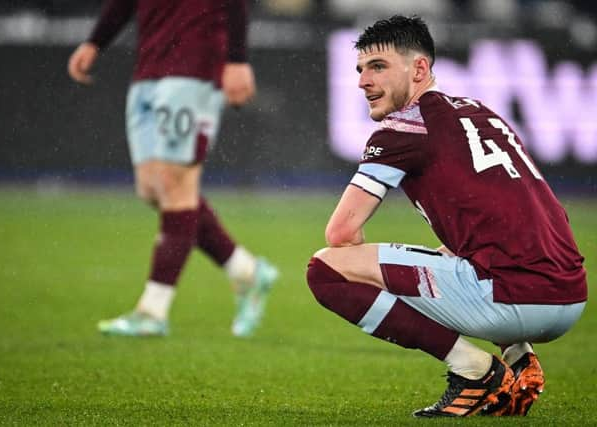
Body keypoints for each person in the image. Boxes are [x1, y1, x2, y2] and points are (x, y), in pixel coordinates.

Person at [306, 15, 587, 417]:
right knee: (458, 251)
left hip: (513, 300)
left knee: (326, 269)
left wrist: (393, 281)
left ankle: (474, 370)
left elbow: (342, 232)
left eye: (379, 67)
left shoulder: (404, 129)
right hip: (571, 296)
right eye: (360, 69)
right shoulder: (481, 112)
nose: (363, 81)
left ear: (419, 68)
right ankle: (519, 358)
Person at [67, 0, 278, 338]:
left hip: (195, 64)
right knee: (152, 189)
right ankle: (247, 272)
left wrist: (237, 59)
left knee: (174, 184)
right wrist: (96, 41)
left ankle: (152, 311)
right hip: (149, 67)